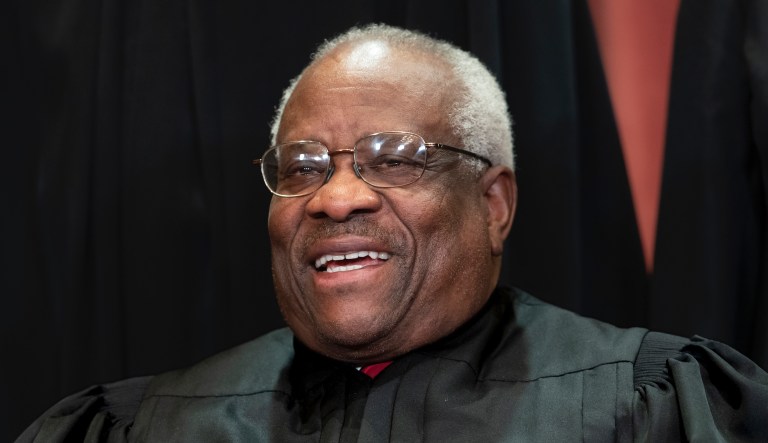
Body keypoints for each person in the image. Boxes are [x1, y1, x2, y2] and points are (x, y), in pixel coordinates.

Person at [17, 24, 768, 442]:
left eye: (396, 159)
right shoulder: (145, 429)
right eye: (303, 165)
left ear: (494, 203)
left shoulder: (652, 410)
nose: (336, 197)